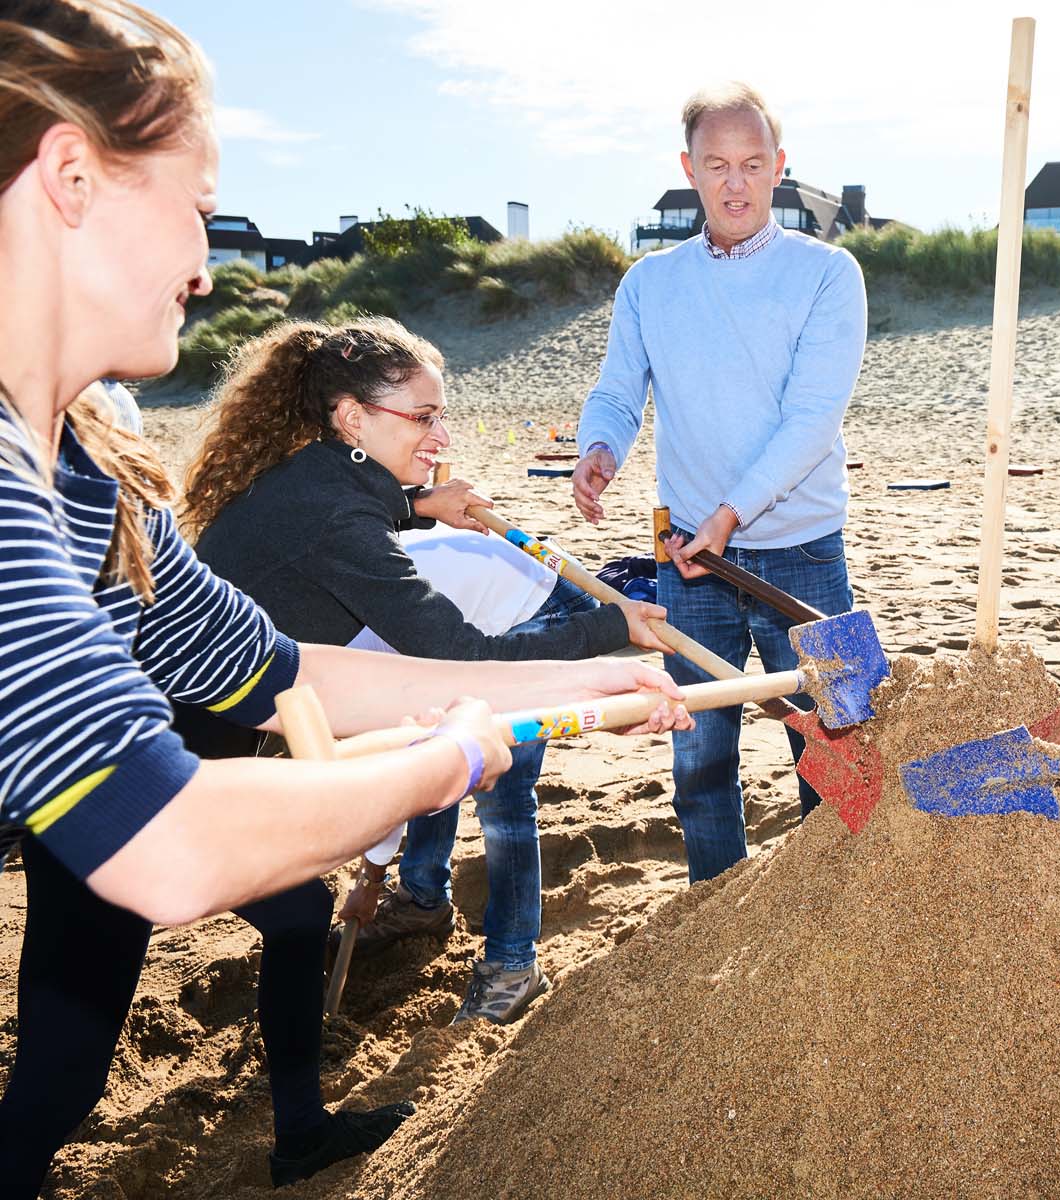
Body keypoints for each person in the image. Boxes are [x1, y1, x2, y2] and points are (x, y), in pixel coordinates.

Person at [0, 3, 687, 1193]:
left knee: (61, 1085)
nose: (208, 267)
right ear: (71, 177)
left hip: (140, 789)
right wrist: (452, 760)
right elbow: (167, 846)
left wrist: (580, 680)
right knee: (60, 1066)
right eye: (198, 211)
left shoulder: (95, 457)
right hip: (144, 810)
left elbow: (284, 670)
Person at [182, 315, 674, 1027]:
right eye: (423, 417)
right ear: (351, 418)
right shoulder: (336, 521)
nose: (442, 438)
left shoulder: (308, 478)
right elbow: (457, 663)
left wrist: (418, 506)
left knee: (316, 901)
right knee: (294, 901)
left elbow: (346, 524)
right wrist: (611, 626)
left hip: (220, 729)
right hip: (193, 753)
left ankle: (489, 967)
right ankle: (308, 1117)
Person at [571, 81, 868, 883]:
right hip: (687, 559)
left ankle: (831, 910)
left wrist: (733, 513)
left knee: (836, 744)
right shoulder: (649, 283)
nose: (734, 183)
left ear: (779, 168)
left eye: (750, 163)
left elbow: (811, 420)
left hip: (803, 553)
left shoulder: (827, 273)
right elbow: (618, 386)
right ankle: (714, 908)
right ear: (688, 171)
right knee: (699, 758)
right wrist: (600, 446)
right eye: (715, 166)